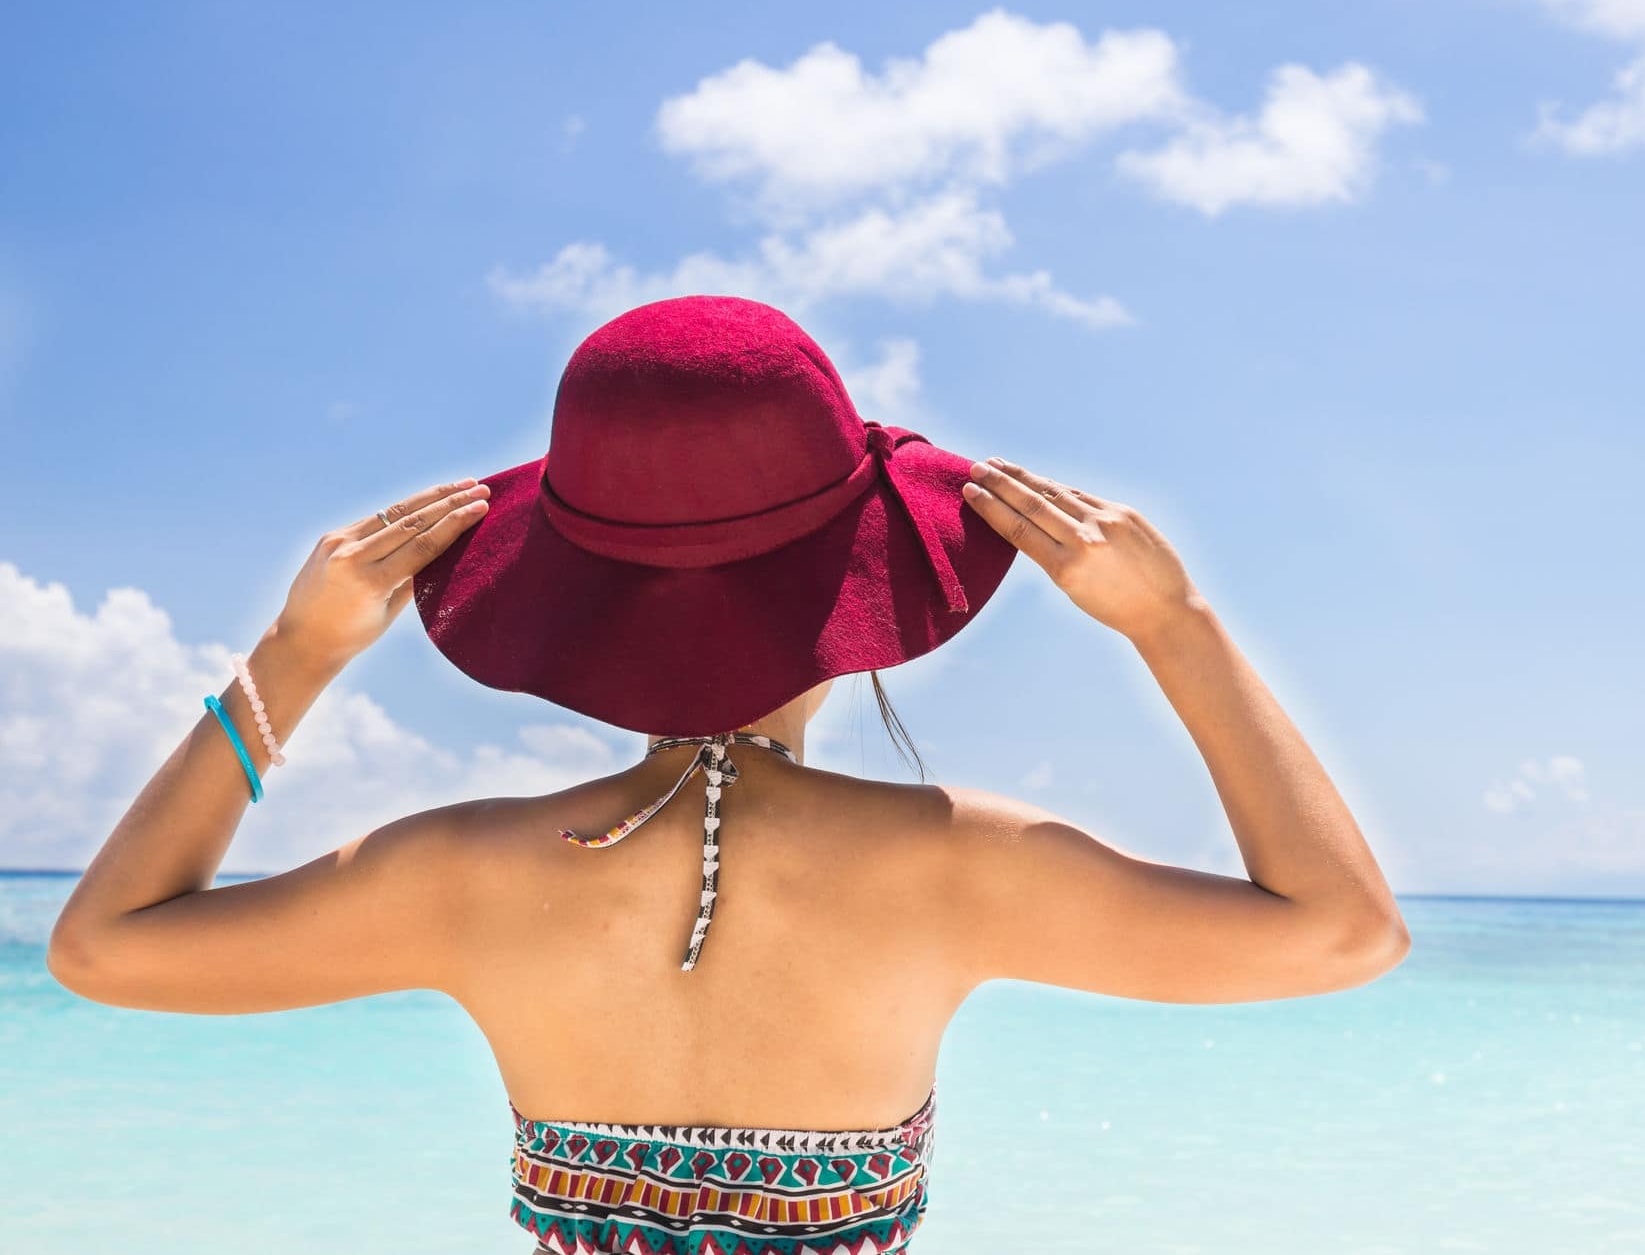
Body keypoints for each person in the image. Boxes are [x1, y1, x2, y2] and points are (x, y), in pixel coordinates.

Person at [45, 296, 1409, 1254]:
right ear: (862, 589)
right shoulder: (961, 866)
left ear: (570, 596)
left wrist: (293, 657)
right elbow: (1343, 930)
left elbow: (105, 947)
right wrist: (1175, 626)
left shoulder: (454, 871)